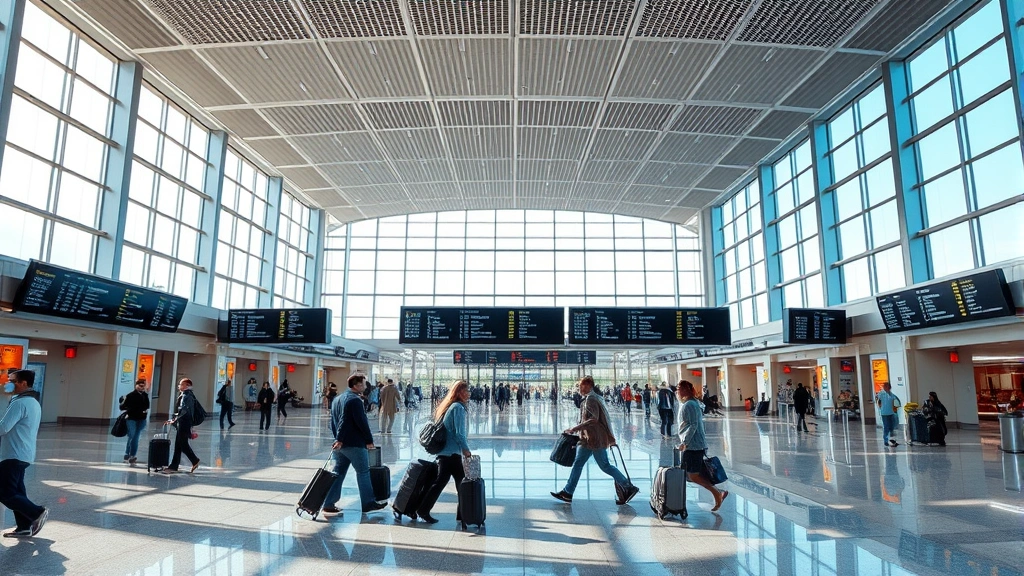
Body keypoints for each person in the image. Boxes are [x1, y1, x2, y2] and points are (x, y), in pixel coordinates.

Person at [551, 376, 638, 505]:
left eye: (581, 386)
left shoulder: (591, 399)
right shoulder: (594, 398)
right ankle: (568, 492)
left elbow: (594, 419)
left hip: (595, 439)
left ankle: (628, 486)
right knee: (578, 464)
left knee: (605, 466)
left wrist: (575, 428)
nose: (579, 388)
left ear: (588, 386)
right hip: (588, 439)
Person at [321, 373, 387, 516]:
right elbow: (361, 423)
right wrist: (369, 440)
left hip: (340, 445)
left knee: (338, 473)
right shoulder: (355, 400)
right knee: (363, 472)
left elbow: (334, 422)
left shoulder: (338, 399)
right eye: (363, 383)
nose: (365, 386)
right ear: (357, 386)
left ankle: (328, 503)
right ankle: (368, 503)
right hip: (354, 444)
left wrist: (337, 439)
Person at [416, 380, 473, 523]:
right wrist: (466, 450)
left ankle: (462, 514)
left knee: (448, 482)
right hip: (451, 454)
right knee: (456, 483)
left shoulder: (450, 406)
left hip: (446, 453)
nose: (469, 393)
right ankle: (424, 510)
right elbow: (459, 434)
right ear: (459, 392)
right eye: (466, 390)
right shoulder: (458, 408)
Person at [0, 369, 47, 538]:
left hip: (13, 454)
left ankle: (36, 513)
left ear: (24, 383)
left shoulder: (20, 403)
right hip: (22, 453)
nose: (8, 383)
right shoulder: (32, 402)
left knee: (5, 493)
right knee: (17, 491)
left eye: (12, 380)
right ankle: (24, 526)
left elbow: (3, 427)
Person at [676, 380, 729, 512]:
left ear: (685, 390)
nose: (677, 391)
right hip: (693, 444)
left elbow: (693, 425)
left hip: (693, 445)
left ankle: (717, 493)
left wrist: (685, 442)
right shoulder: (690, 403)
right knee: (691, 474)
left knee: (692, 475)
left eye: (679, 388)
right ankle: (718, 492)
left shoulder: (690, 404)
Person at [164, 378, 200, 474]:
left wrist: (174, 419)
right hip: (183, 422)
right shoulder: (187, 395)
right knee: (178, 445)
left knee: (183, 445)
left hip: (184, 423)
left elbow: (184, 410)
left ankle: (194, 460)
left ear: (187, 385)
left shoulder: (187, 395)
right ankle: (174, 466)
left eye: (181, 384)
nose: (179, 386)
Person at [119, 379, 150, 464]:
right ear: (136, 385)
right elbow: (123, 407)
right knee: (132, 436)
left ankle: (131, 455)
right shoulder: (130, 395)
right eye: (140, 385)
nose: (142, 387)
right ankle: (128, 453)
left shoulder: (145, 395)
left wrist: (143, 411)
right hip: (131, 418)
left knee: (136, 436)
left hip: (141, 419)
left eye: (143, 386)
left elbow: (147, 406)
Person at [876, 382, 901, 448]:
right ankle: (886, 441)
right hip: (884, 413)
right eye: (885, 386)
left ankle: (892, 440)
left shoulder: (892, 395)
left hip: (891, 412)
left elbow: (896, 402)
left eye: (887, 386)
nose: (885, 387)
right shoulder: (881, 394)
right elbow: (878, 400)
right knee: (886, 426)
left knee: (892, 426)